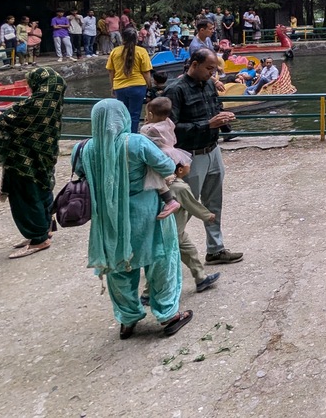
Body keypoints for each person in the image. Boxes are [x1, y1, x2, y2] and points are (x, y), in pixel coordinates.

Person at [75, 99, 193, 339]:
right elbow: (167, 165)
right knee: (160, 259)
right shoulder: (136, 142)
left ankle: (127, 319)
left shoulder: (85, 149)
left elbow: (81, 173)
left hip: (110, 216)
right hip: (148, 211)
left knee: (119, 265)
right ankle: (168, 315)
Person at [0, 67, 65, 258]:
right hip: (45, 155)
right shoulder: (53, 103)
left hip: (23, 160)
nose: (28, 86)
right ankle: (45, 230)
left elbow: (2, 122)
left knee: (26, 197)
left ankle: (38, 238)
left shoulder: (31, 106)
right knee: (43, 189)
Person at [164, 48, 242, 265]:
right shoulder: (175, 90)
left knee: (213, 202)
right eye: (209, 68)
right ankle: (165, 251)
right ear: (194, 64)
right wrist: (206, 124)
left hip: (212, 150)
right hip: (189, 157)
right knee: (185, 207)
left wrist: (222, 118)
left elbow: (214, 108)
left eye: (214, 69)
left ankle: (215, 249)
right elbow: (169, 129)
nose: (212, 73)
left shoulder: (208, 84)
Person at [138, 97, 220, 299]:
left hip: (177, 229)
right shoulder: (179, 187)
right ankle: (149, 293)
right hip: (170, 230)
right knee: (164, 257)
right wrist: (207, 215)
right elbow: (193, 205)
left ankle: (200, 278)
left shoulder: (148, 131)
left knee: (187, 251)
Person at [106, 27, 156, 133]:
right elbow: (146, 72)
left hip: (120, 87)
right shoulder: (142, 51)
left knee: (122, 114)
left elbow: (111, 72)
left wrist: (112, 87)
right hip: (138, 87)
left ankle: (122, 137)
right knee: (134, 115)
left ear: (123, 38)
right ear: (136, 39)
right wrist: (150, 87)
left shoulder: (115, 52)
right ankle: (131, 138)